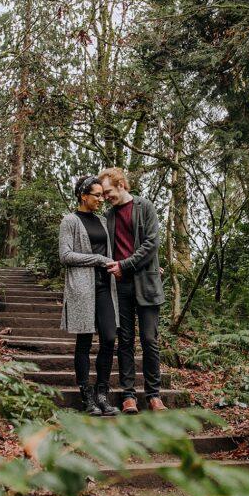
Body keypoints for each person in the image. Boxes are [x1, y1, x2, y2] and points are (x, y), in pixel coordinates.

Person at [99, 167, 167, 413]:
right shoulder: (109, 216)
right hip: (121, 286)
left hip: (146, 283)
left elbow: (152, 243)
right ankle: (129, 395)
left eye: (108, 191)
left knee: (149, 339)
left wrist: (125, 265)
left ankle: (154, 395)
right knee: (125, 340)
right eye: (104, 193)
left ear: (121, 185)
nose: (106, 197)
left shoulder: (145, 207)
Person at [58, 175, 120, 416]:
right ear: (83, 196)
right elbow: (65, 255)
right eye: (96, 195)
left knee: (108, 337)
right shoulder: (69, 221)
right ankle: (87, 397)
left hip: (105, 286)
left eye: (102, 195)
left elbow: (116, 249)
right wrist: (97, 259)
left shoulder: (103, 221)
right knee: (84, 341)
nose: (101, 200)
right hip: (82, 288)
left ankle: (102, 394)